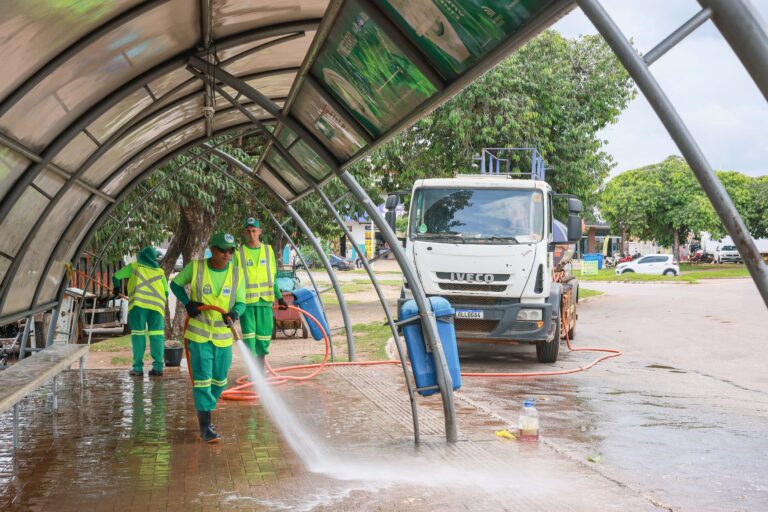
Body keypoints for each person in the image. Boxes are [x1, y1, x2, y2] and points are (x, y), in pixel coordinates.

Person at [170, 233, 245, 443]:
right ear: (212, 248)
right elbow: (175, 285)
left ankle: (205, 410)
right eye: (223, 250)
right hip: (199, 335)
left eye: (231, 251)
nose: (227, 254)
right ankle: (205, 426)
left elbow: (241, 302)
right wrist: (188, 303)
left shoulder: (237, 274)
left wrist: (235, 313)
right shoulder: (196, 268)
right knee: (202, 381)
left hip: (223, 338)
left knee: (220, 381)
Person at [235, 217, 287, 374]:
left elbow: (273, 276)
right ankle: (253, 372)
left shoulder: (268, 250)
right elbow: (235, 280)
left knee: (263, 337)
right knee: (249, 338)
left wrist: (280, 297)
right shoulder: (239, 253)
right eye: (249, 231)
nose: (252, 234)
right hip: (247, 303)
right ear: (245, 232)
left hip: (265, 301)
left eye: (254, 231)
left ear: (260, 232)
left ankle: (260, 368)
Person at [112, 246, 168, 378]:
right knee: (157, 336)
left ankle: (137, 369)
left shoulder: (134, 266)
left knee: (138, 336)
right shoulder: (160, 272)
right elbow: (165, 292)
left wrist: (116, 289)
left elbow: (116, 276)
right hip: (157, 307)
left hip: (139, 306)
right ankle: (158, 368)